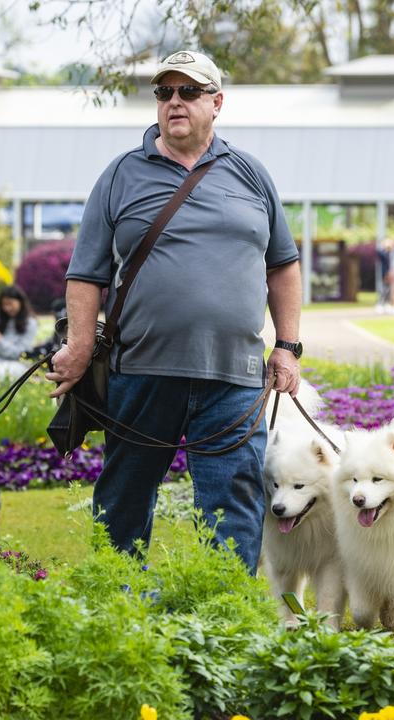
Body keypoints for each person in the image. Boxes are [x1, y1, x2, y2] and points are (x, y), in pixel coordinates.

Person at [48, 50, 302, 569]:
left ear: (217, 102)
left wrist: (289, 346)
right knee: (123, 501)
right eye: (164, 92)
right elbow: (85, 274)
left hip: (234, 376)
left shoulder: (251, 174)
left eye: (189, 91)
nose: (175, 102)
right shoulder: (120, 174)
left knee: (234, 505)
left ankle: (222, 613)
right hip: (141, 372)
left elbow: (283, 265)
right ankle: (113, 607)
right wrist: (77, 348)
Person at [0, 285, 40, 380]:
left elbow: (20, 354)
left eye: (10, 304)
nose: (7, 308)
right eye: (4, 305)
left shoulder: (30, 323)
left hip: (17, 363)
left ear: (20, 302)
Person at [374, 238, 394, 314]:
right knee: (384, 290)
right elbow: (378, 251)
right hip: (386, 274)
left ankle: (387, 304)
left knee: (390, 290)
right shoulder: (384, 253)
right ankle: (380, 304)